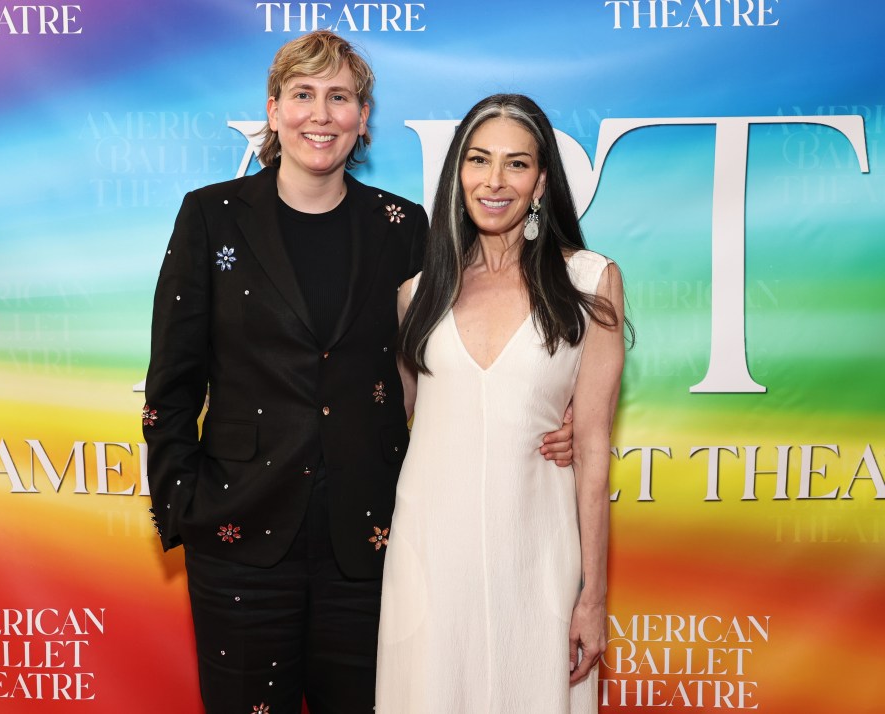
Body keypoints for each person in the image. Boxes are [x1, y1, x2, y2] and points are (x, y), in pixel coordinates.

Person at [143, 33, 574, 713]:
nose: (322, 114)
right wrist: (185, 508)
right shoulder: (212, 217)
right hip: (238, 538)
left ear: (363, 116)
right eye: (304, 95)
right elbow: (170, 383)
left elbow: (456, 362)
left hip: (371, 544)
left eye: (340, 97)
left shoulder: (401, 226)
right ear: (274, 109)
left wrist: (555, 414)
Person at [376, 93, 627, 713]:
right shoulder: (418, 293)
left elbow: (593, 447)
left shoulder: (590, 282)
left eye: (516, 164)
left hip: (537, 548)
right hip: (428, 552)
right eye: (479, 160)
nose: (494, 181)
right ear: (458, 173)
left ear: (541, 181)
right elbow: (392, 420)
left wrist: (592, 596)